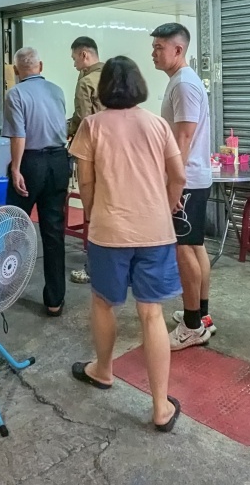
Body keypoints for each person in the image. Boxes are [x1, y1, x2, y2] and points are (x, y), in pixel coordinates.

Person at [68, 56, 185, 432]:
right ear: (138, 86)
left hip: (109, 232)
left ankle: (103, 370)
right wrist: (163, 209)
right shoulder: (157, 124)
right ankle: (160, 407)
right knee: (151, 314)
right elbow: (178, 176)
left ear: (103, 89)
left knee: (103, 302)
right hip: (155, 232)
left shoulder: (91, 125)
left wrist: (91, 213)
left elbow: (85, 182)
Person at [151, 23, 215, 350]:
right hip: (193, 178)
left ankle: (192, 326)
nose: (153, 53)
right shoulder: (181, 82)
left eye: (159, 47)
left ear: (178, 50)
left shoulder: (184, 85)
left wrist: (173, 183)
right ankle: (202, 316)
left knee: (184, 250)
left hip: (186, 180)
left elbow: (184, 137)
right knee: (195, 247)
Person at [3, 46, 70, 316]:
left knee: (13, 226)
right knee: (54, 232)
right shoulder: (57, 91)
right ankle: (54, 301)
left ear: (17, 70)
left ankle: (2, 286)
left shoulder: (15, 93)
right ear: (40, 66)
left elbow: (19, 135)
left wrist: (16, 169)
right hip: (58, 162)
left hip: (31, 163)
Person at [68, 37, 105, 285]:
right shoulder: (112, 77)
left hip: (92, 153)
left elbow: (83, 118)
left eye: (74, 59)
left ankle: (93, 269)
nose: (74, 65)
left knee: (92, 211)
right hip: (115, 153)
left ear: (83, 55)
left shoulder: (86, 81)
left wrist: (68, 132)